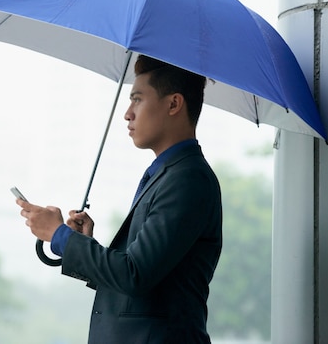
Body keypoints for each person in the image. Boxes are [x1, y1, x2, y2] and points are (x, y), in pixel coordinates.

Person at [16, 54, 222, 343]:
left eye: (137, 99)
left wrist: (60, 235)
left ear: (174, 103)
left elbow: (134, 275)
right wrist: (82, 243)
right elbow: (140, 275)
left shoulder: (188, 179)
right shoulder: (167, 175)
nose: (127, 113)